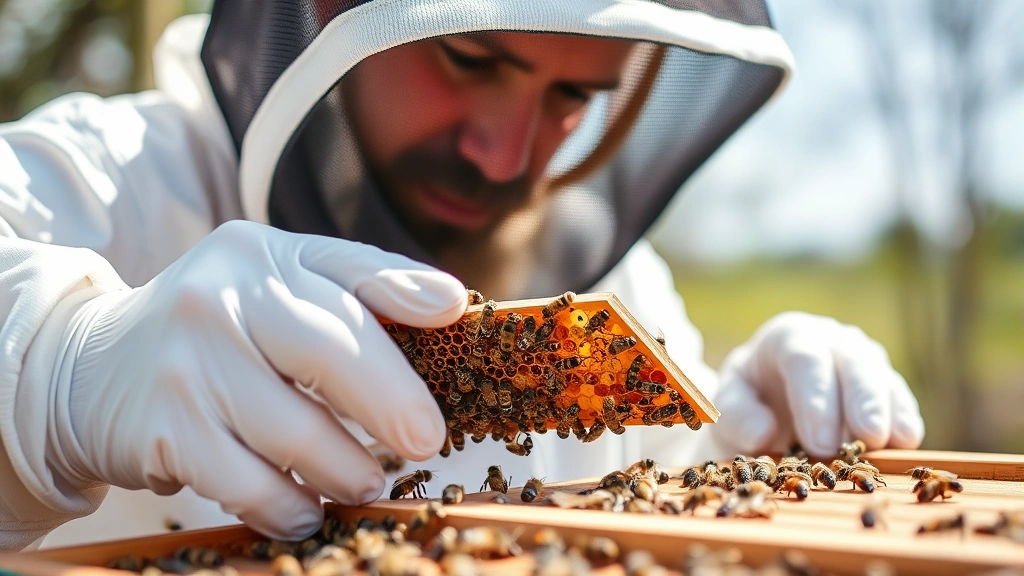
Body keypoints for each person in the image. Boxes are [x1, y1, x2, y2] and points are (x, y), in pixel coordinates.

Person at [0, 0, 924, 552]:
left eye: (574, 96)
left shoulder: (620, 291)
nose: (504, 155)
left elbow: (638, 501)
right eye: (470, 57)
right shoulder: (104, 179)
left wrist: (744, 449)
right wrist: (57, 369)